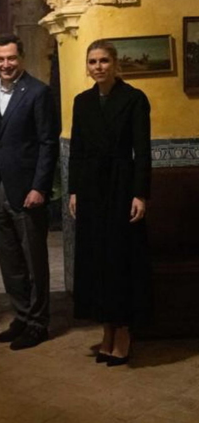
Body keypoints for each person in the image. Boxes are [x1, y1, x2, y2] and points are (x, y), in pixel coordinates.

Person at [68, 39, 152, 366]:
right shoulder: (82, 102)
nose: (98, 67)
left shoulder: (134, 99)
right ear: (87, 66)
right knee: (96, 261)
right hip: (91, 189)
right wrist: (74, 190)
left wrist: (140, 193)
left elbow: (142, 150)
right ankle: (106, 329)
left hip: (121, 187)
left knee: (120, 260)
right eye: (92, 61)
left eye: (104, 60)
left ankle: (124, 332)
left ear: (115, 64)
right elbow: (76, 151)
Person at [0, 33, 59, 350]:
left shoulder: (38, 92)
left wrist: (40, 186)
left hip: (27, 191)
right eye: (0, 59)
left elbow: (47, 143)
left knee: (34, 260)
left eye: (11, 58)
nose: (6, 64)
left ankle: (39, 323)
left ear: (20, 58)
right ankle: (23, 316)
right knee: (10, 261)